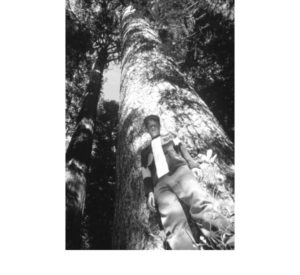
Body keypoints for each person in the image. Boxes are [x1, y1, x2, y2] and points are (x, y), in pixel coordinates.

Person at [140, 115, 234, 250]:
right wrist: (149, 192)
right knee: (172, 221)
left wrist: (193, 165)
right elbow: (146, 173)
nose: (153, 127)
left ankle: (226, 236)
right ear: (147, 130)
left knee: (199, 203)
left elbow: (183, 150)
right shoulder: (144, 152)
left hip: (180, 172)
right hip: (160, 185)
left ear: (159, 125)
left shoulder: (170, 136)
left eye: (155, 124)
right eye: (150, 126)